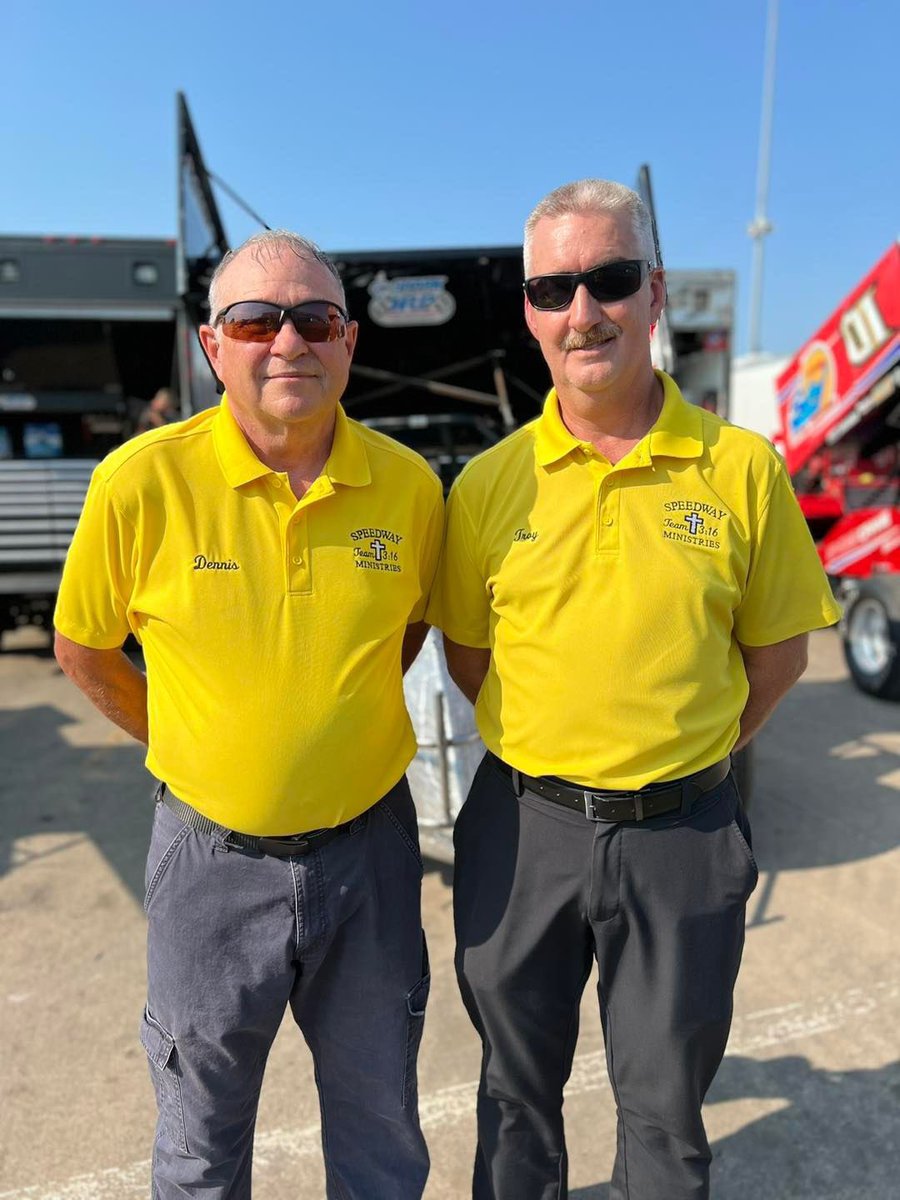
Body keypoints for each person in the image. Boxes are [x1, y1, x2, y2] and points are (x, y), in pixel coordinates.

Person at [426, 180, 841, 1200]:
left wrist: (682, 752)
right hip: (523, 831)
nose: (583, 311)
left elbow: (778, 657)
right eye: (553, 288)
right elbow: (469, 656)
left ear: (654, 292)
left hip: (683, 837)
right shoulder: (487, 485)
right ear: (530, 312)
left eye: (609, 279)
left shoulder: (743, 471)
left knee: (664, 1114)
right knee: (514, 1098)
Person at [53, 230, 443, 1199]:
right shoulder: (139, 481)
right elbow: (84, 648)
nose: (288, 342)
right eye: (256, 320)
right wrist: (195, 742)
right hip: (209, 860)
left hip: (370, 854)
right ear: (211, 345)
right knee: (200, 1142)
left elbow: (406, 632)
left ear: (349, 341)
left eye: (315, 319)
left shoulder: (410, 487)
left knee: (382, 1129)